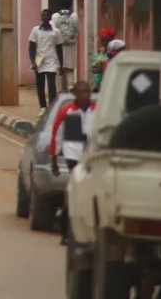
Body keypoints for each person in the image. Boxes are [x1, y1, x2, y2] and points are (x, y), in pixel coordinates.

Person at [50, 80, 96, 243]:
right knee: (73, 192)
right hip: (72, 155)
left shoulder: (97, 111)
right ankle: (65, 231)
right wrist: (54, 160)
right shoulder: (66, 111)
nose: (86, 95)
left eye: (88, 91)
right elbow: (58, 135)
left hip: (90, 157)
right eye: (83, 92)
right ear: (75, 93)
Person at [29, 8, 64, 110]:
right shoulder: (36, 30)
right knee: (40, 84)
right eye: (42, 16)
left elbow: (59, 49)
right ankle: (43, 106)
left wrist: (61, 65)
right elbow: (31, 47)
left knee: (52, 85)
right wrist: (33, 61)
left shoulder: (56, 32)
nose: (44, 18)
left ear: (49, 18)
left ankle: (51, 107)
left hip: (51, 59)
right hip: (39, 59)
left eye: (46, 16)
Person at [52, 3, 80, 92]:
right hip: (70, 46)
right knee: (69, 69)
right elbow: (77, 29)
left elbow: (53, 31)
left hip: (58, 46)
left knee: (58, 69)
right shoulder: (74, 16)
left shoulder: (55, 16)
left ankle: (58, 91)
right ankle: (70, 86)